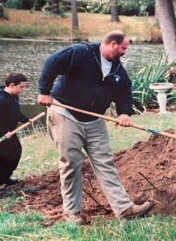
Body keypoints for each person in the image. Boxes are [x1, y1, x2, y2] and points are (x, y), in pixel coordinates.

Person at [38, 30, 154, 224]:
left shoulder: (118, 70)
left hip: (94, 121)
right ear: (113, 44)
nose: (125, 52)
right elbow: (52, 63)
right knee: (71, 163)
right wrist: (44, 91)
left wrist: (124, 113)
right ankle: (72, 214)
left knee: (105, 161)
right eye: (124, 48)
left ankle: (125, 209)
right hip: (65, 114)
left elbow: (125, 92)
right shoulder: (81, 52)